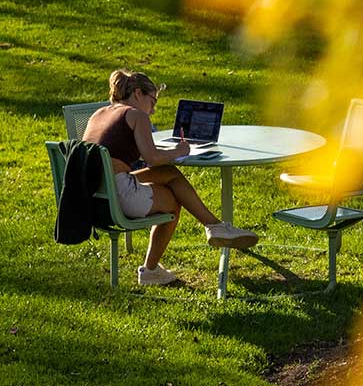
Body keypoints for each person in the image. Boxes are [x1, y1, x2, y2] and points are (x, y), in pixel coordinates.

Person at [81, 70, 259, 286]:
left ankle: (215, 226)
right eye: (152, 101)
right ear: (138, 93)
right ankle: (151, 269)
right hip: (120, 196)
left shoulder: (99, 113)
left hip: (94, 194)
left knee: (171, 174)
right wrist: (179, 150)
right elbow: (152, 158)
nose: (153, 110)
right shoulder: (137, 116)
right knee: (173, 201)